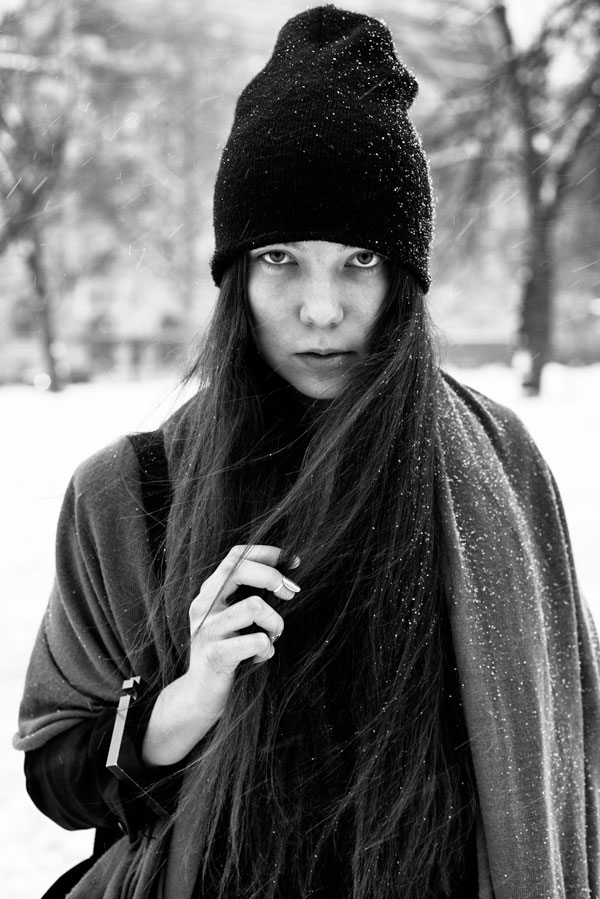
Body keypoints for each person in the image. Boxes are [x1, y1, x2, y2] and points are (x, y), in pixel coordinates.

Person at [14, 6, 600, 899]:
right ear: (236, 275)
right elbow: (57, 773)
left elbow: (568, 767)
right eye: (281, 257)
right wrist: (190, 695)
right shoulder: (130, 492)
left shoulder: (498, 466)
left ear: (404, 277)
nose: (321, 309)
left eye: (360, 259)